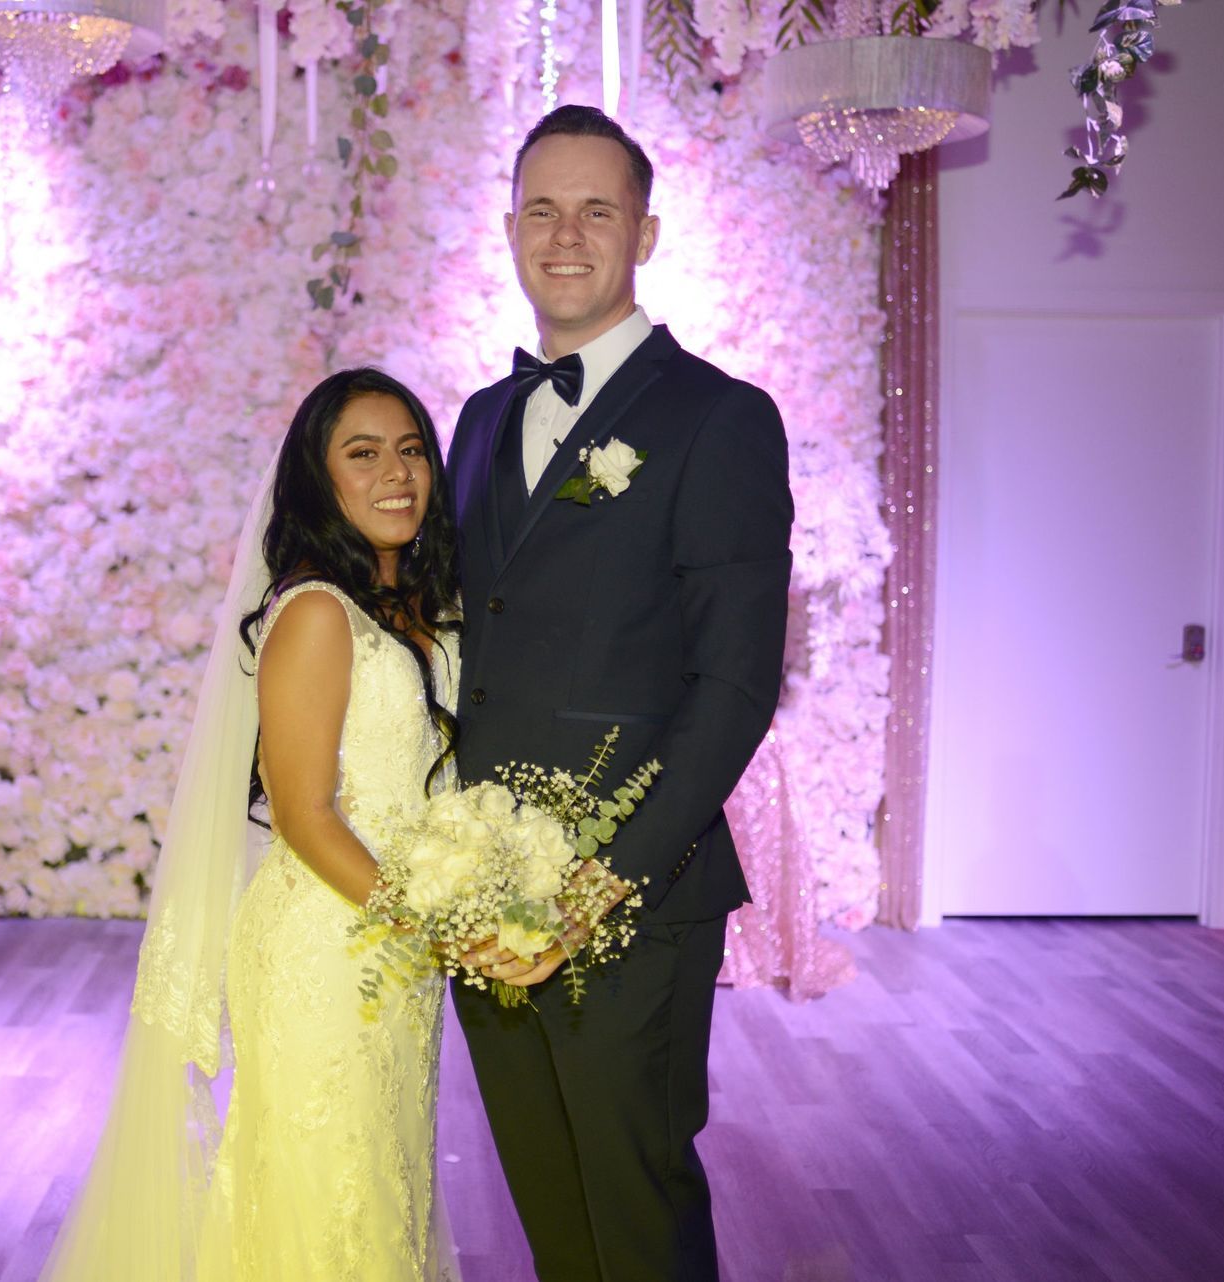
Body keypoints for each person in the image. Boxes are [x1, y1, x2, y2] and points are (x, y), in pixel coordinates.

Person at [445, 105, 793, 1280]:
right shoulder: (483, 418)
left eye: (597, 210)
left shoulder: (721, 419)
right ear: (507, 229)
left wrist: (599, 884)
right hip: (481, 887)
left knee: (636, 1206)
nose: (566, 235)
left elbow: (735, 687)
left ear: (644, 232)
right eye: (541, 209)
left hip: (633, 898)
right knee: (546, 1197)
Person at [40, 368, 464, 1281]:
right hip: (329, 946)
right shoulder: (317, 612)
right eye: (363, 455)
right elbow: (307, 815)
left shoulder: (426, 608)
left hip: (401, 954)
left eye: (411, 450)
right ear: (320, 481)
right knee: (328, 1198)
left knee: (384, 1186)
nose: (396, 474)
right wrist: (435, 925)